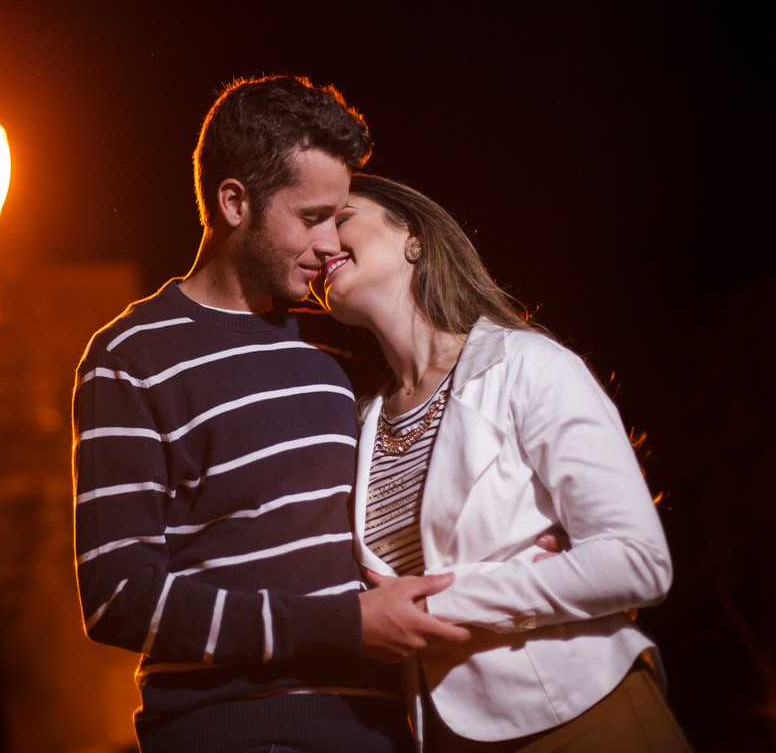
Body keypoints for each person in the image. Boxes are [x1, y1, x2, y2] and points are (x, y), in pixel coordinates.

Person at [72, 77, 472, 752]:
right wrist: (337, 625)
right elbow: (117, 595)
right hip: (233, 729)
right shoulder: (129, 356)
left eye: (338, 219)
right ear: (234, 202)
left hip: (384, 731)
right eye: (311, 217)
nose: (329, 245)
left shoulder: (343, 345)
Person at [312, 173, 692, 751]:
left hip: (580, 715)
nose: (321, 244)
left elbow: (639, 560)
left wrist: (441, 602)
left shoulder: (529, 364)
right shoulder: (362, 423)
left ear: (412, 233)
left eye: (339, 219)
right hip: (447, 737)